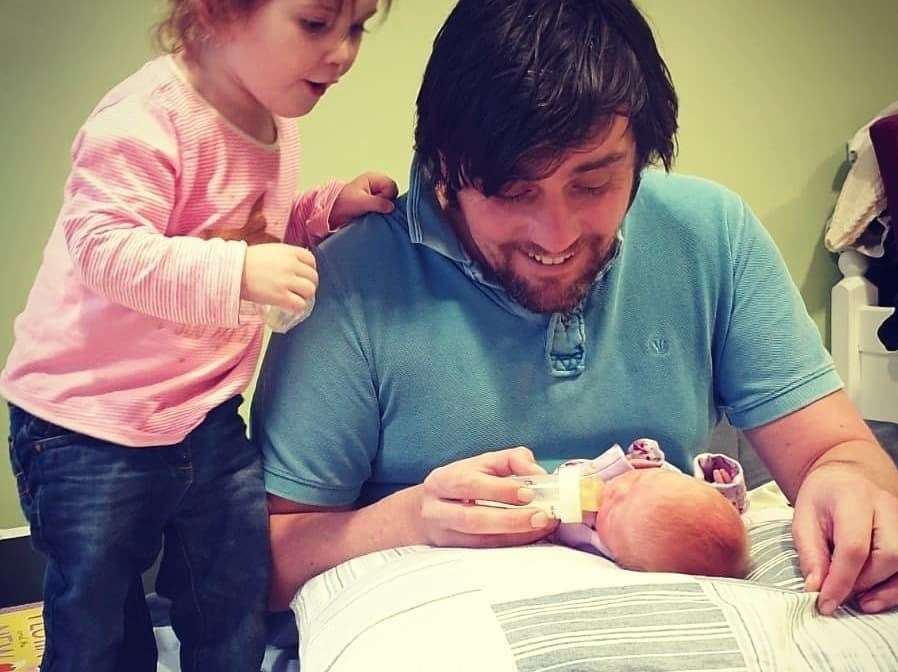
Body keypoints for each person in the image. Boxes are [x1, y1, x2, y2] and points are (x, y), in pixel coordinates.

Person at [252, 0, 898, 618]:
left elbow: (837, 454)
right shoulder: (348, 281)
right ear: (443, 168)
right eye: (512, 190)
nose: (556, 236)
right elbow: (265, 567)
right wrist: (410, 518)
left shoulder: (711, 234)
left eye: (592, 184)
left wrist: (852, 487)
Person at [1, 1, 396, 670]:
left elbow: (251, 227)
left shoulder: (274, 120)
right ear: (218, 15)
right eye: (316, 24)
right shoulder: (146, 121)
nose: (342, 52)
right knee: (97, 616)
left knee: (231, 591)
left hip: (204, 416)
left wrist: (326, 209)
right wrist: (241, 271)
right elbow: (103, 247)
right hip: (89, 423)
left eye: (356, 28)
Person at [551, 439, 750, 578]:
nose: (616, 488)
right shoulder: (664, 483)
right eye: (636, 480)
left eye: (612, 510)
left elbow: (570, 475)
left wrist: (607, 467)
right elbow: (708, 512)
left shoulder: (593, 538)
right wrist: (723, 490)